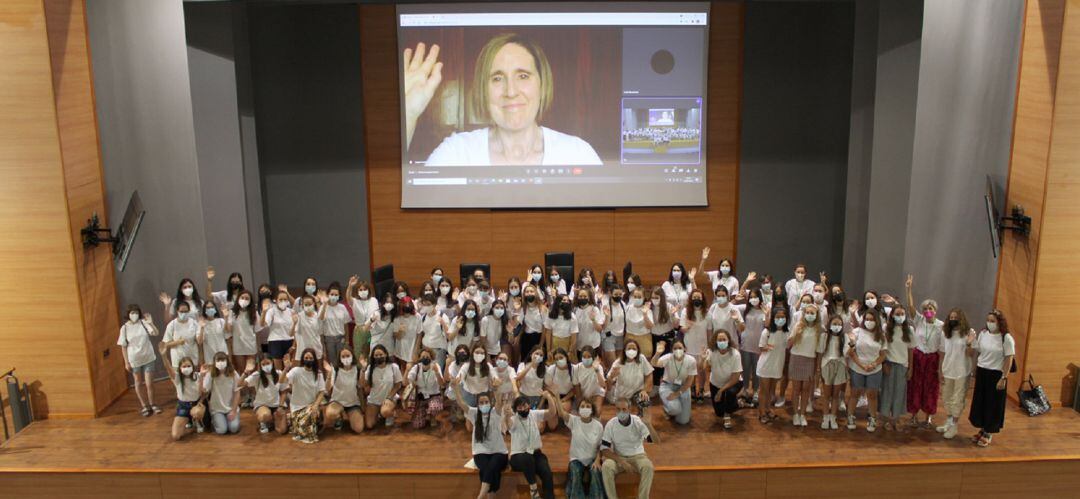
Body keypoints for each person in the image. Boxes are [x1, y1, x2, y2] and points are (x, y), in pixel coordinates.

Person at [405, 35, 602, 167]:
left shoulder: (578, 154)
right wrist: (409, 112)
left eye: (523, 76)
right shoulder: (458, 152)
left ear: (542, 85)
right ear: (484, 89)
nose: (511, 91)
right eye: (497, 78)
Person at [968, 309, 1015, 447]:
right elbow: (979, 350)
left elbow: (1009, 358)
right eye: (988, 320)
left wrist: (1004, 377)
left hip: (996, 374)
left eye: (993, 321)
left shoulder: (1006, 338)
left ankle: (989, 431)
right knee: (981, 401)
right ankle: (982, 429)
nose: (990, 323)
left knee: (993, 403)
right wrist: (970, 341)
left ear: (999, 322)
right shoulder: (983, 334)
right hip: (983, 371)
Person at [452, 384, 508, 499]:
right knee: (488, 469)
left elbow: (498, 401)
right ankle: (491, 495)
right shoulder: (473, 413)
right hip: (480, 452)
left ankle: (481, 495)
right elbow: (461, 403)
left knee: (492, 466)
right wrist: (456, 388)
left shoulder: (495, 412)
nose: (484, 404)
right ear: (477, 405)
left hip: (499, 452)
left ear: (490, 402)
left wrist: (497, 389)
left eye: (486, 402)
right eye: (481, 403)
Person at [905, 274, 944, 428]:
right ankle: (913, 414)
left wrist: (940, 367)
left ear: (935, 310)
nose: (928, 310)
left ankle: (928, 416)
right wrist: (908, 289)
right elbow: (910, 307)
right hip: (918, 356)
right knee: (915, 385)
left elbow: (942, 347)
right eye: (926, 308)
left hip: (932, 359)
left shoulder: (941, 325)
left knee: (930, 387)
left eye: (931, 308)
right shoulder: (919, 320)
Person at [600, 398, 659, 499]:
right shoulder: (611, 424)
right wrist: (622, 462)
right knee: (606, 466)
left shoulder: (638, 421)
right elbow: (604, 449)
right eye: (618, 409)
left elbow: (656, 441)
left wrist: (649, 424)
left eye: (624, 409)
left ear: (629, 409)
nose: (621, 412)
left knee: (648, 467)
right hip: (619, 457)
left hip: (638, 456)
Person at [507, 393, 559, 499]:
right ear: (516, 409)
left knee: (546, 472)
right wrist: (507, 415)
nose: (523, 408)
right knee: (527, 458)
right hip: (518, 456)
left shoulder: (534, 414)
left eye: (525, 405)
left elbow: (552, 413)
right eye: (520, 407)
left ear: (529, 405)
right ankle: (533, 489)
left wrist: (548, 397)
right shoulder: (514, 419)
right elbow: (509, 425)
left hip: (536, 453)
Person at [551, 397, 604, 499]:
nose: (585, 408)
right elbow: (561, 413)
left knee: (596, 472)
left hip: (592, 459)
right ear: (579, 410)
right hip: (576, 459)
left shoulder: (598, 426)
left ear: (592, 410)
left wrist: (597, 460)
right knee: (575, 471)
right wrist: (557, 396)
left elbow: (600, 447)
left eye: (588, 406)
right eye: (582, 406)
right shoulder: (574, 421)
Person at [845, 310, 887, 432]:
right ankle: (851, 417)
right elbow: (851, 352)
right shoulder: (857, 332)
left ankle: (872, 418)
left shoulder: (881, 335)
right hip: (857, 367)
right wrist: (861, 365)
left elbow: (883, 354)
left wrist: (874, 364)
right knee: (855, 393)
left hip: (874, 369)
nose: (869, 322)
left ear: (877, 321)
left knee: (872, 395)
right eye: (867, 319)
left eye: (872, 320)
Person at [937, 308, 974, 439]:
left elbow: (971, 354)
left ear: (961, 319)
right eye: (951, 317)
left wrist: (969, 344)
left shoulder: (969, 332)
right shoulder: (945, 333)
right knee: (946, 397)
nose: (953, 320)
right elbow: (942, 352)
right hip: (948, 370)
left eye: (955, 318)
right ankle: (948, 422)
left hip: (961, 371)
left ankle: (954, 426)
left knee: (957, 399)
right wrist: (940, 369)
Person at [118, 304, 161, 416]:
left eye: (136, 312)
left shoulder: (143, 323)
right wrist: (126, 362)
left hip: (148, 357)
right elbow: (123, 346)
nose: (134, 315)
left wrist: (151, 322)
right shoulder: (125, 328)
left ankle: (153, 404)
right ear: (128, 314)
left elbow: (156, 333)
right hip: (134, 359)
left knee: (149, 383)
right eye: (132, 313)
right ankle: (144, 406)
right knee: (138, 382)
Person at [879, 305, 914, 432]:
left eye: (902, 314)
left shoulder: (909, 330)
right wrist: (883, 364)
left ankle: (895, 418)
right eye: (897, 314)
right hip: (889, 363)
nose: (900, 317)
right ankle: (885, 417)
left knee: (899, 393)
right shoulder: (886, 328)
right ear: (892, 315)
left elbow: (911, 350)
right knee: (887, 391)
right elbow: (882, 347)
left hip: (902, 365)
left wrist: (910, 368)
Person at [786, 303, 821, 427]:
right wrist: (796, 333)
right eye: (808, 313)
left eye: (812, 313)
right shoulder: (798, 325)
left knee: (806, 389)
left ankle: (802, 414)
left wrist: (818, 366)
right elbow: (789, 343)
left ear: (816, 315)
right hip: (796, 358)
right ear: (804, 314)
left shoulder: (819, 329)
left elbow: (819, 349)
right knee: (796, 389)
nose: (810, 315)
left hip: (810, 359)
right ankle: (796, 414)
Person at [160, 346, 203, 440]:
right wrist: (164, 356)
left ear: (193, 367)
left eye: (188, 366)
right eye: (184, 366)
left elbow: (202, 393)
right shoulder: (178, 378)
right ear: (180, 368)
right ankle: (189, 420)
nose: (186, 368)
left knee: (197, 412)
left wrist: (203, 376)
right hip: (184, 405)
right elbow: (168, 368)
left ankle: (197, 421)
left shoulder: (198, 376)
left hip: (196, 405)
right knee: (176, 436)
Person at [651, 339, 697, 425]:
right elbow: (654, 363)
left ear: (685, 349)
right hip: (668, 385)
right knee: (674, 409)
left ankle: (676, 405)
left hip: (683, 387)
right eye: (675, 348)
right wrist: (658, 353)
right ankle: (667, 409)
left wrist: (677, 394)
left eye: (680, 348)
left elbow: (690, 381)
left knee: (683, 421)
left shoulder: (691, 360)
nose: (677, 350)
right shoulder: (668, 357)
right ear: (672, 350)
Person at [285, 347, 326, 443]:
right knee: (304, 426)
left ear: (314, 360)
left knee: (310, 415)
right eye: (306, 358)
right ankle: (298, 427)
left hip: (311, 407)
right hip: (297, 407)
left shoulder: (318, 374)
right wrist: (286, 369)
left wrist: (316, 405)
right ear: (302, 359)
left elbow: (322, 392)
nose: (308, 360)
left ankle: (301, 429)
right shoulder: (296, 371)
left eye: (311, 358)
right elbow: (282, 380)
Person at [704, 330, 743, 429]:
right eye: (719, 340)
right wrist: (703, 359)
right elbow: (706, 369)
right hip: (716, 383)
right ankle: (736, 404)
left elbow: (735, 378)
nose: (722, 342)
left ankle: (727, 415)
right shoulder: (711, 352)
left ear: (728, 340)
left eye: (724, 339)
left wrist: (721, 391)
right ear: (715, 341)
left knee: (729, 393)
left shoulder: (735, 354)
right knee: (718, 413)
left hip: (734, 382)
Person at [227, 290, 260, 405]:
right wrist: (227, 318)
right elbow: (229, 331)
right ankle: (245, 395)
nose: (244, 300)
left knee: (251, 371)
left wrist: (258, 347)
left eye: (247, 298)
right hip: (238, 346)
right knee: (242, 371)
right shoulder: (232, 313)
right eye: (242, 298)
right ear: (238, 299)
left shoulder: (253, 313)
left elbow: (257, 331)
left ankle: (254, 394)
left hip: (251, 345)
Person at [242, 354, 288, 434]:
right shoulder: (257, 375)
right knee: (265, 415)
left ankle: (274, 418)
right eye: (263, 364)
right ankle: (264, 422)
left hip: (277, 405)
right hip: (262, 405)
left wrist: (280, 406)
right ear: (260, 365)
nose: (266, 366)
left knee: (282, 430)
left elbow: (284, 391)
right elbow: (240, 384)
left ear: (272, 362)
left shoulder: (279, 373)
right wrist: (246, 372)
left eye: (268, 363)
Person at [679, 289, 711, 402]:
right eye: (694, 298)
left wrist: (709, 346)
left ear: (702, 299)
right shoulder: (685, 311)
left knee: (702, 370)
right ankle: (692, 390)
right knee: (691, 371)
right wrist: (687, 326)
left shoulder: (707, 312)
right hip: (689, 346)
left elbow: (709, 331)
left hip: (702, 347)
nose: (696, 300)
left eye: (699, 298)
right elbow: (682, 329)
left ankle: (701, 391)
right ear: (691, 299)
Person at [606, 339, 653, 415]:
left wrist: (645, 390)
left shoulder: (641, 358)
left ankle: (642, 422)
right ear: (624, 350)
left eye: (634, 349)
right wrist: (611, 377)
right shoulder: (618, 363)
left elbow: (649, 374)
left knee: (645, 404)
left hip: (638, 391)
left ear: (638, 350)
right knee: (623, 415)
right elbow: (608, 386)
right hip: (622, 395)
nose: (631, 351)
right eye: (629, 348)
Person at [817, 316, 848, 430]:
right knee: (826, 394)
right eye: (834, 324)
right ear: (829, 325)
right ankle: (825, 416)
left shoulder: (845, 337)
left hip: (840, 365)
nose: (837, 326)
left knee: (836, 395)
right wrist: (818, 368)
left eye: (839, 324)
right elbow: (820, 353)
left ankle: (833, 416)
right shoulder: (824, 336)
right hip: (827, 365)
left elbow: (846, 353)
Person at [324, 348, 364, 433]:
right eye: (343, 356)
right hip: (337, 402)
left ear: (352, 356)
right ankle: (339, 417)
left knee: (358, 429)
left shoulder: (357, 369)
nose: (346, 358)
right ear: (340, 358)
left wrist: (363, 369)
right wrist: (329, 374)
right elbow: (327, 388)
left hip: (352, 403)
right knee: (331, 413)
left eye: (348, 356)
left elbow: (361, 385)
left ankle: (350, 414)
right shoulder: (335, 369)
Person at [363, 344, 403, 429]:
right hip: (374, 400)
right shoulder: (370, 368)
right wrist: (363, 369)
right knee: (369, 425)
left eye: (381, 355)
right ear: (373, 357)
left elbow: (398, 384)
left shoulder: (393, 367)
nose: (378, 357)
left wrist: (389, 397)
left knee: (385, 412)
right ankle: (379, 414)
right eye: (376, 355)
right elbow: (363, 384)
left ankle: (391, 414)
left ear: (385, 354)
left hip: (389, 398)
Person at [201, 352, 241, 435]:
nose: (220, 363)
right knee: (222, 430)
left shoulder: (234, 374)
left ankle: (231, 417)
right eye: (218, 361)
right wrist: (202, 376)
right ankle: (216, 420)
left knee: (234, 428)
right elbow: (204, 390)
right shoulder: (210, 374)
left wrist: (233, 411)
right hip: (217, 409)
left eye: (223, 360)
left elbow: (237, 393)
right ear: (214, 363)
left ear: (227, 361)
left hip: (230, 408)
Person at [407, 347, 447, 429]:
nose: (425, 358)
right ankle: (423, 413)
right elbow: (409, 378)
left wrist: (437, 373)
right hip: (420, 397)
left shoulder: (436, 366)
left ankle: (432, 416)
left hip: (434, 395)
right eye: (423, 357)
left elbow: (442, 384)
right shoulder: (417, 367)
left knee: (434, 407)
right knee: (417, 425)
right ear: (420, 358)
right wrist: (413, 383)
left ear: (431, 358)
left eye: (427, 357)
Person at [262, 291, 296, 370]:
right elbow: (264, 324)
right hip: (275, 341)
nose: (283, 301)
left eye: (285, 299)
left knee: (289, 367)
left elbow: (295, 331)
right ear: (276, 300)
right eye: (280, 299)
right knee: (278, 369)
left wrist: (294, 345)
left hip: (289, 341)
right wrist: (264, 312)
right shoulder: (271, 311)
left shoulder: (291, 312)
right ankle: (279, 382)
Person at [346, 276, 379, 358]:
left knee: (370, 352)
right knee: (358, 353)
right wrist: (350, 286)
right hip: (359, 332)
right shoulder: (355, 301)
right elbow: (348, 297)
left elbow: (376, 314)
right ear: (357, 292)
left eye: (365, 289)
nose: (363, 291)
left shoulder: (374, 300)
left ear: (368, 290)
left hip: (371, 331)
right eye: (360, 290)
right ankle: (360, 369)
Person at [320, 283, 351, 369]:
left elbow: (346, 324)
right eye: (332, 294)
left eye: (336, 294)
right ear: (328, 295)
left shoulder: (342, 307)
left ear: (339, 296)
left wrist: (347, 340)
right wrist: (325, 304)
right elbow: (321, 319)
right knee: (332, 363)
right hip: (329, 339)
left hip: (340, 338)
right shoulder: (323, 307)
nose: (334, 296)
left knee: (342, 361)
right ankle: (333, 380)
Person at [161, 301, 199, 370]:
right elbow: (165, 344)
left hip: (192, 359)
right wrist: (177, 342)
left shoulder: (194, 323)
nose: (184, 314)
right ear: (177, 311)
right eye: (181, 312)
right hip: (178, 360)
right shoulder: (172, 325)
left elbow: (198, 340)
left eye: (186, 311)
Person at [572, 348, 606, 420]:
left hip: (596, 394)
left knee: (596, 413)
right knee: (578, 415)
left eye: (589, 356)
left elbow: (603, 385)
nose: (586, 358)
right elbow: (577, 387)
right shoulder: (577, 368)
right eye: (584, 356)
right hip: (582, 395)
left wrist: (596, 370)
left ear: (593, 357)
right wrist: (583, 401)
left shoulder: (598, 367)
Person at [545, 294, 579, 359]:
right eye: (564, 300)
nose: (566, 302)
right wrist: (548, 350)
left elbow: (574, 337)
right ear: (558, 302)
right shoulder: (550, 315)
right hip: (554, 344)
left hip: (568, 345)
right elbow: (548, 334)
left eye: (567, 300)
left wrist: (570, 351)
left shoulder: (572, 317)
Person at [197, 301, 229, 368]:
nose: (210, 309)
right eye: (208, 308)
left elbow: (227, 332)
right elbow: (199, 342)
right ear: (204, 310)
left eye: (212, 307)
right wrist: (202, 328)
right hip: (210, 357)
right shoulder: (201, 323)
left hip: (223, 353)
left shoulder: (221, 321)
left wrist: (226, 317)